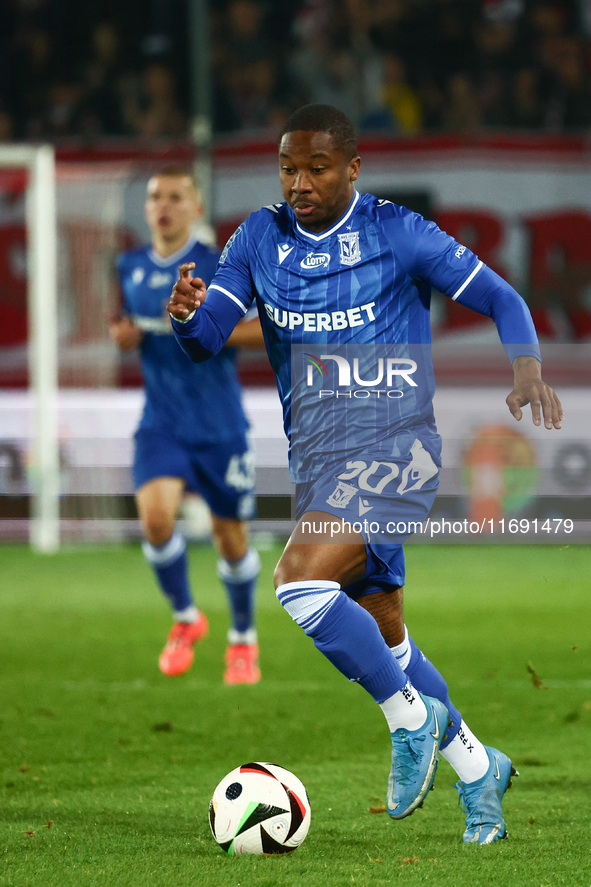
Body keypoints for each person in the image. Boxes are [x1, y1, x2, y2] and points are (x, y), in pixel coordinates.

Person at [166, 105, 563, 843]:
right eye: (288, 167)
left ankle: (409, 718)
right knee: (389, 641)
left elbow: (501, 297)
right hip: (317, 458)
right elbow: (208, 336)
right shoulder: (258, 237)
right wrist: (189, 317)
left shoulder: (397, 231)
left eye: (316, 167)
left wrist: (527, 366)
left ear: (352, 167)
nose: (299, 182)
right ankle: (479, 774)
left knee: (297, 582)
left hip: (394, 446)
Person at [110, 166, 263, 685]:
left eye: (176, 196)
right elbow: (126, 324)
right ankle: (185, 618)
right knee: (155, 520)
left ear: (197, 208)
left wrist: (205, 324)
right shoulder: (129, 264)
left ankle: (242, 639)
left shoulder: (223, 265)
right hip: (162, 421)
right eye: (155, 197)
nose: (163, 205)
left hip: (219, 423)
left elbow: (266, 330)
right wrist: (126, 336)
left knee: (231, 539)